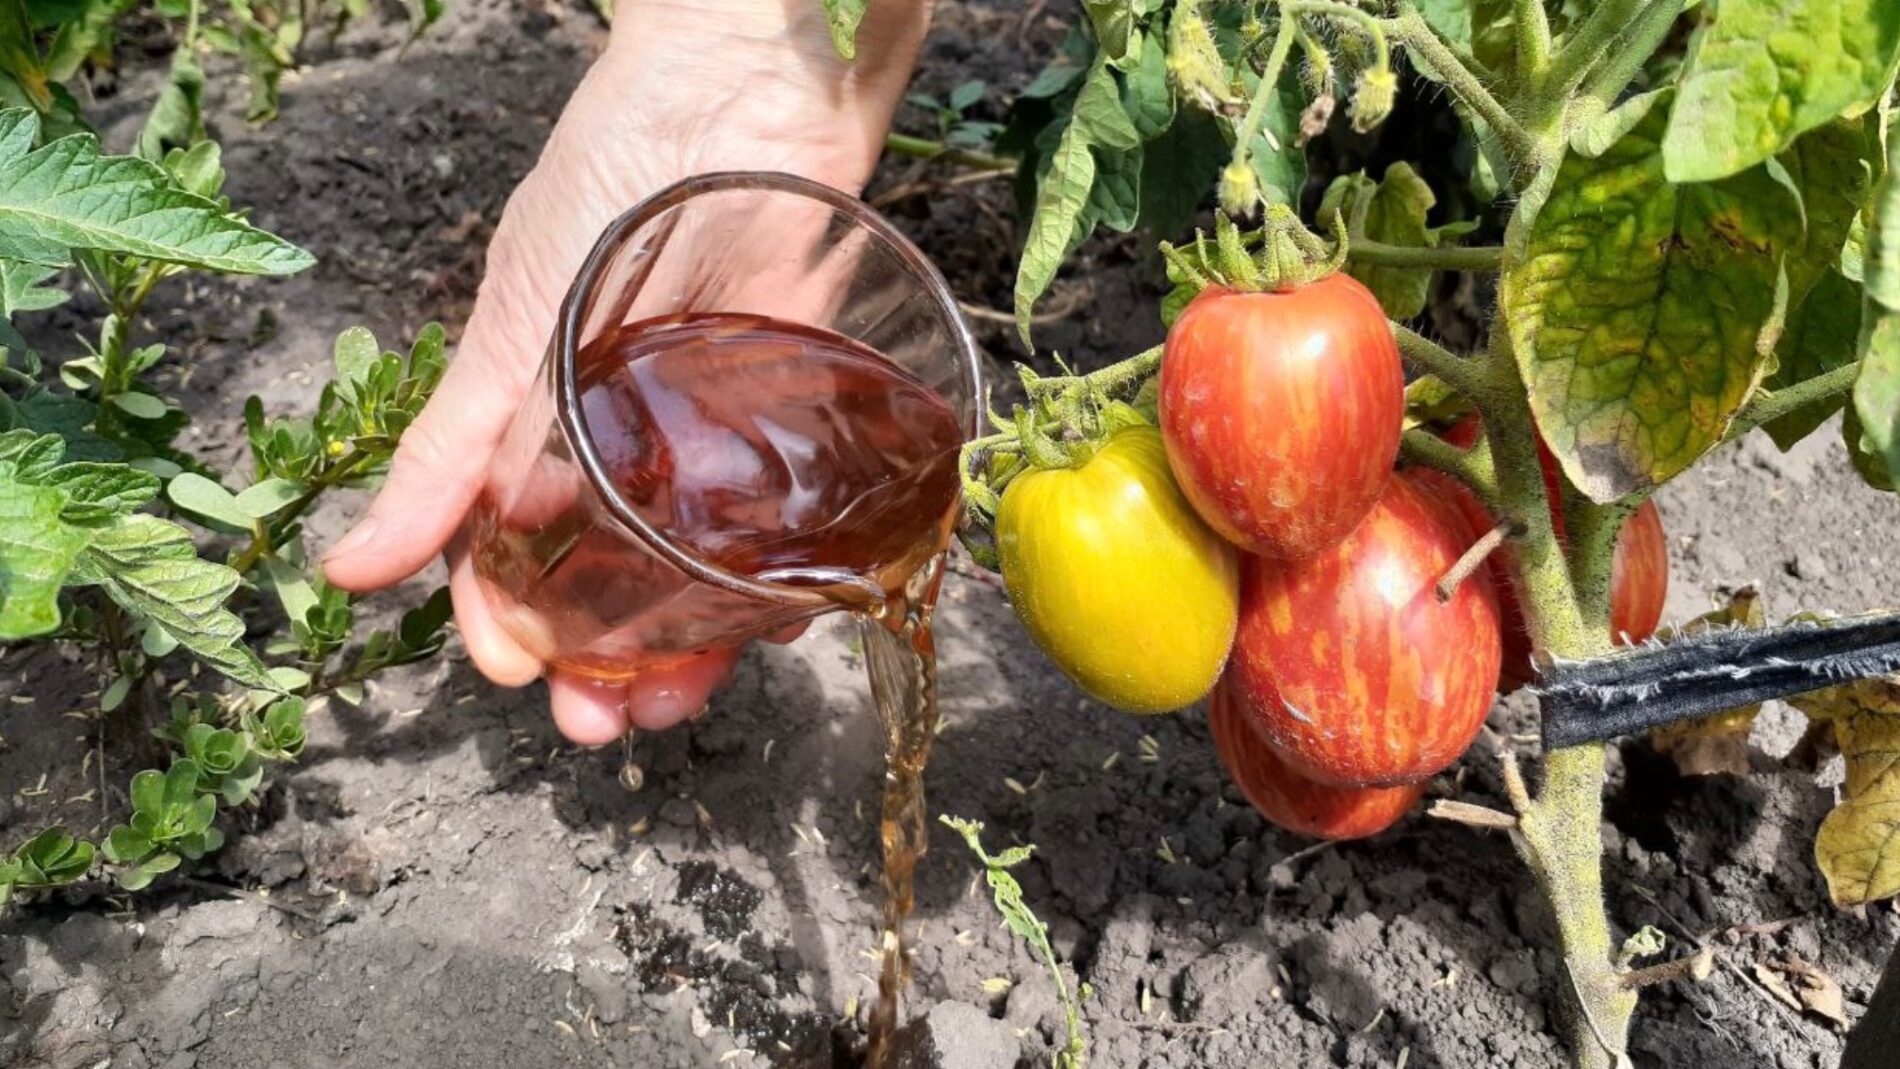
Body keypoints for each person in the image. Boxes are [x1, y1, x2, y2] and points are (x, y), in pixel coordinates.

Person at [321, 0, 934, 745]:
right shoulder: (603, 367)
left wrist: (763, 56)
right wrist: (736, 46)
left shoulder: (927, 443)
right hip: (538, 527)